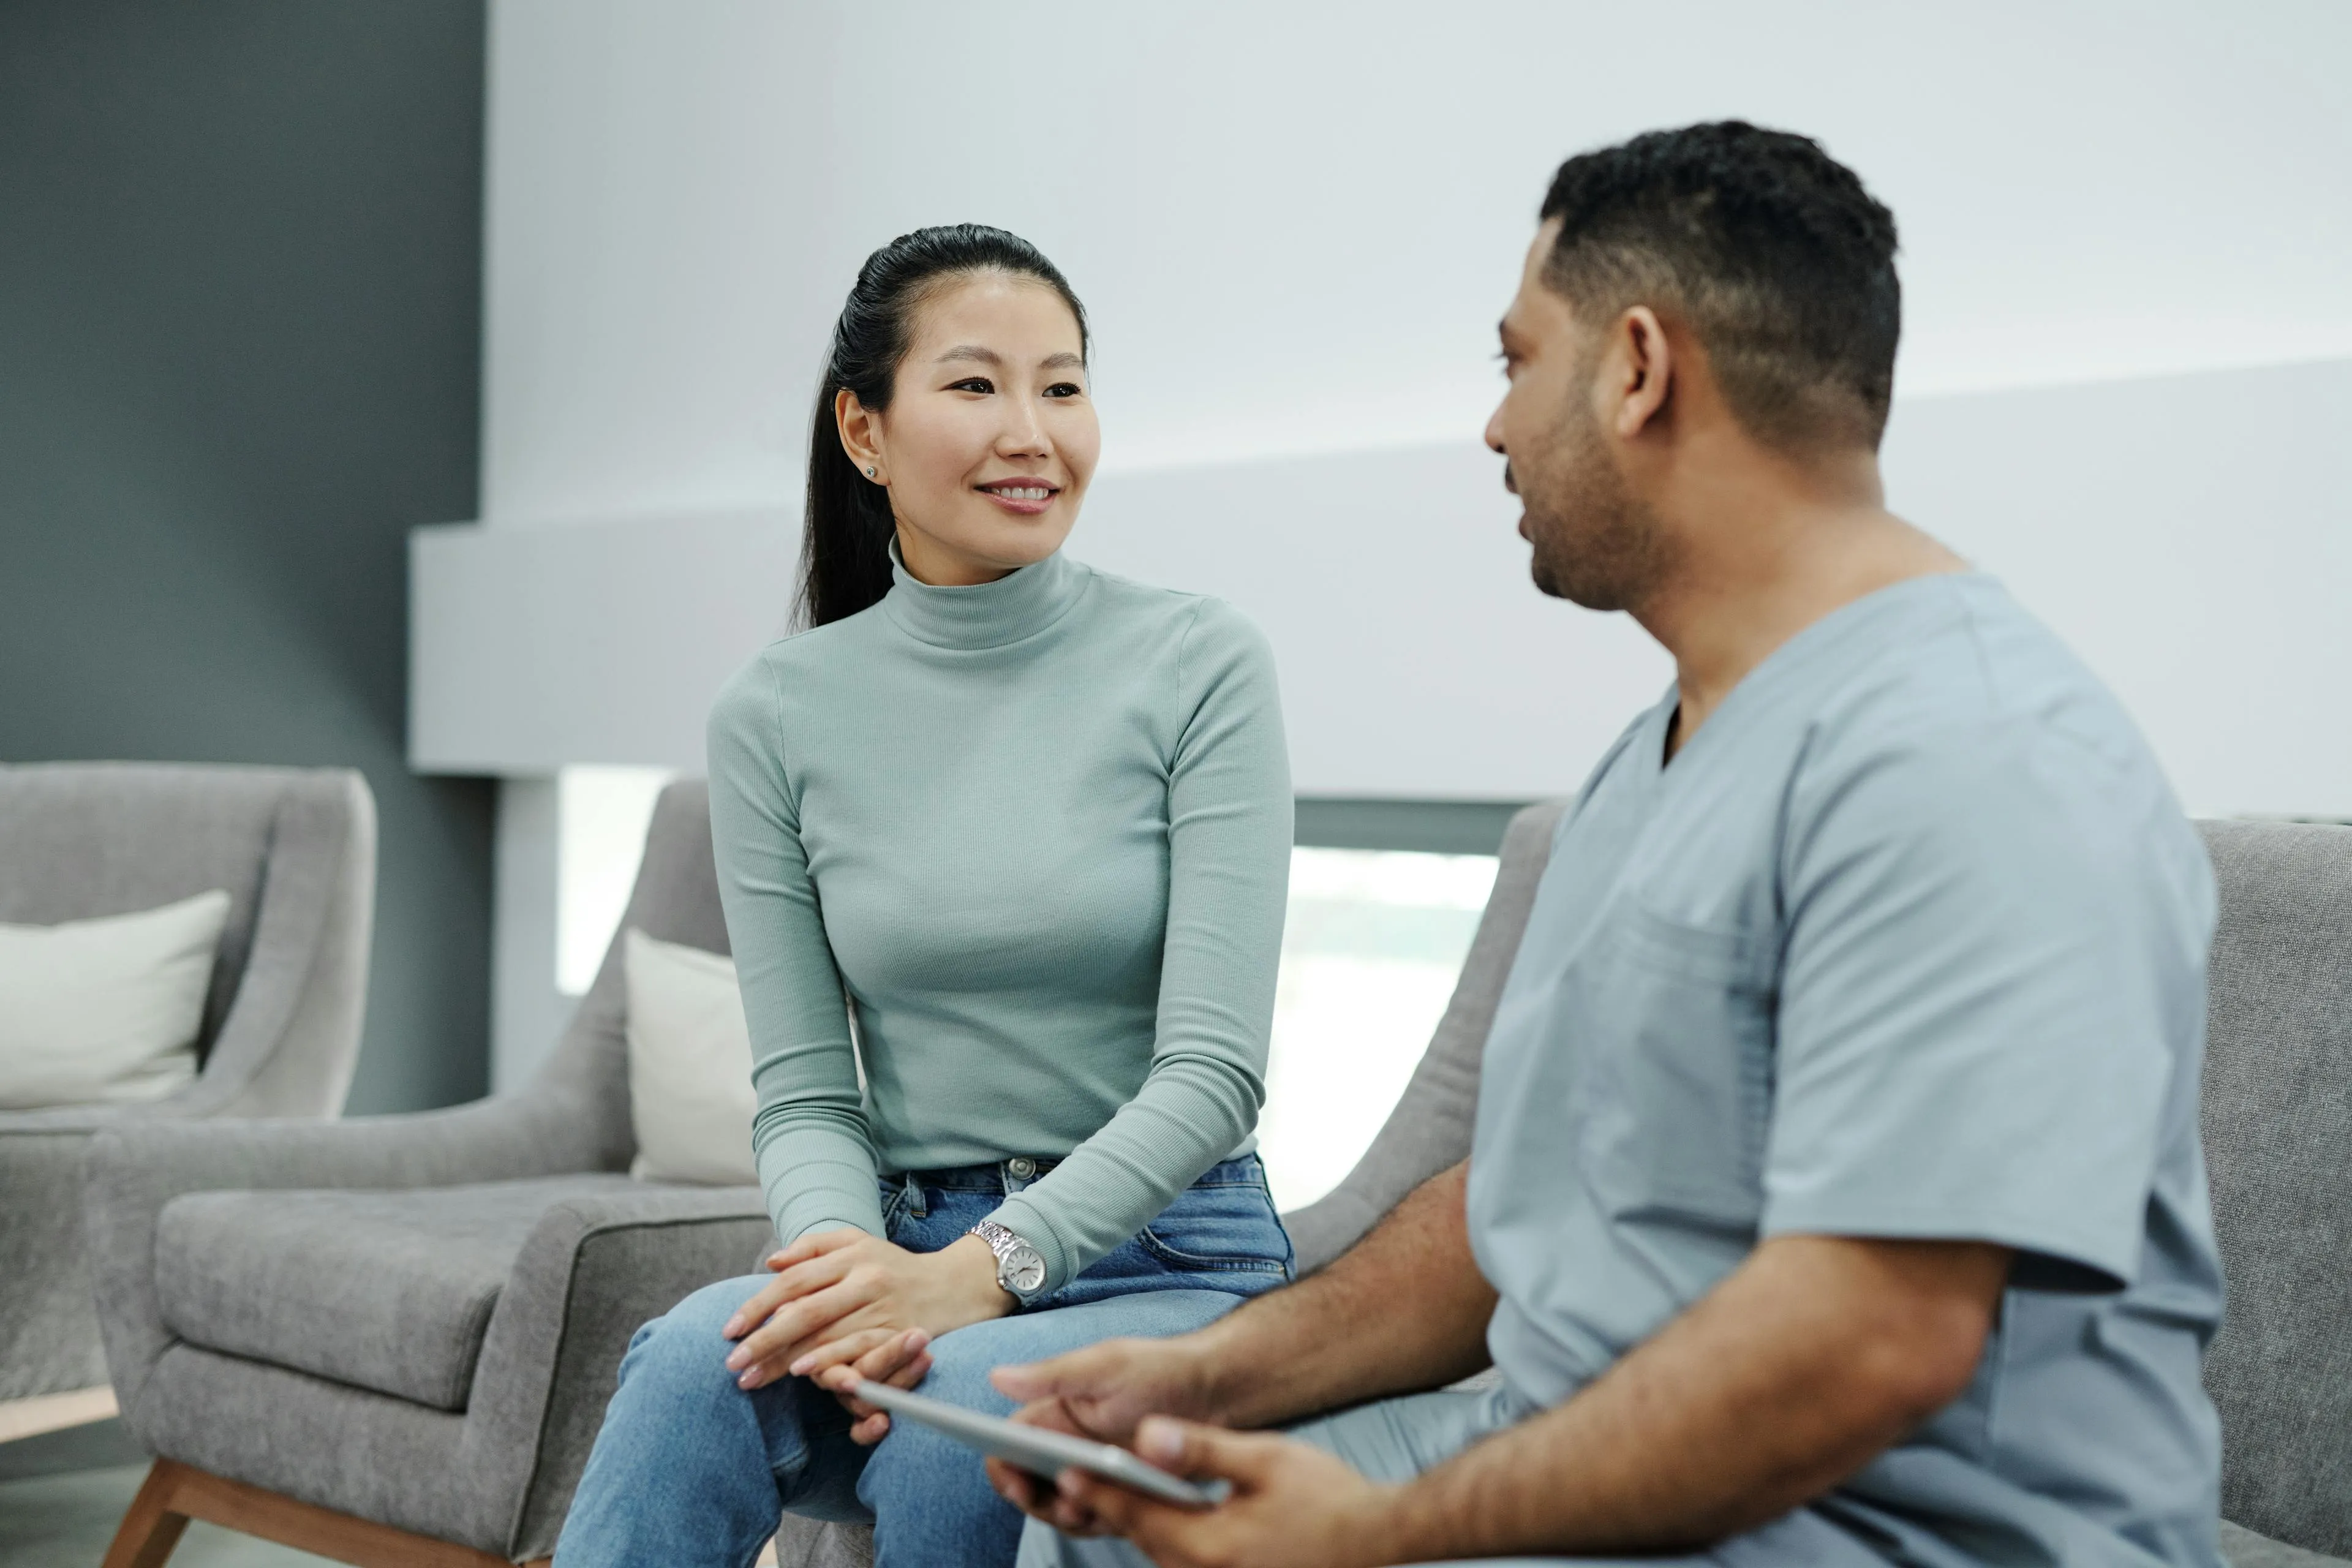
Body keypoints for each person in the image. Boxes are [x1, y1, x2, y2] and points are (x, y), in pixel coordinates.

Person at [991, 123, 2225, 1567]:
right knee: (1112, 1524)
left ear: (1638, 368)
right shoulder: (1662, 750)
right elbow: (1522, 1203)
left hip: (1888, 1531)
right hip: (1575, 1436)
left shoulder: (1977, 756)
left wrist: (1385, 1533)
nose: (1497, 426)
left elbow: (1869, 1343)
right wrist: (1209, 1373)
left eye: (1517, 361)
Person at [554, 225, 1298, 1568]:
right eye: (976, 385)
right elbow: (808, 1090)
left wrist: (972, 1279)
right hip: (903, 1244)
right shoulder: (777, 715)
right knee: (684, 1366)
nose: (1033, 431)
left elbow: (1213, 1075)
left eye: (1063, 386)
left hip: (1170, 1260)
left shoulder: (1199, 662)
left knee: (966, 1405)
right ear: (866, 429)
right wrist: (851, 1274)